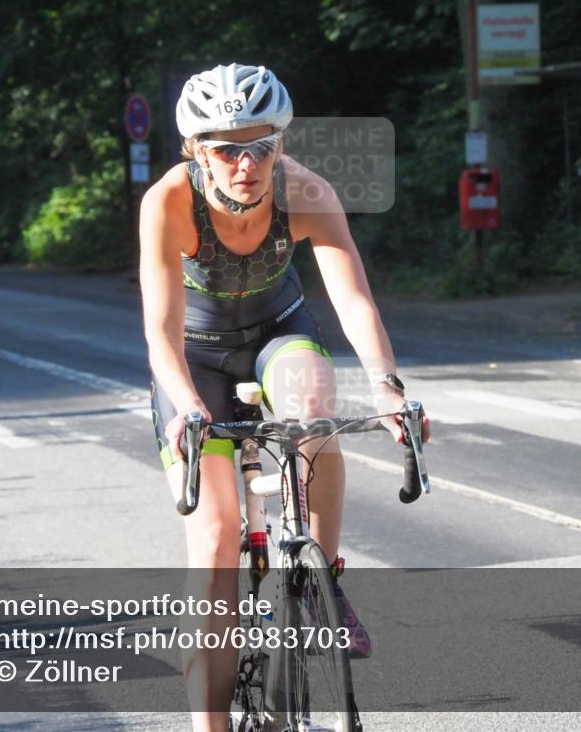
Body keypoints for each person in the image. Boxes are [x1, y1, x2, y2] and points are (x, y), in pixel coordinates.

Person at [138, 63, 427, 732]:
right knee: (215, 543)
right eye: (226, 150)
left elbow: (352, 296)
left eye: (262, 147)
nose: (247, 165)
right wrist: (187, 405)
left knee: (314, 409)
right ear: (196, 150)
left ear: (281, 143)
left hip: (278, 331)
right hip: (195, 357)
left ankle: (323, 585)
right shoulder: (168, 201)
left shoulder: (307, 191)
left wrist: (387, 387)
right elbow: (160, 332)